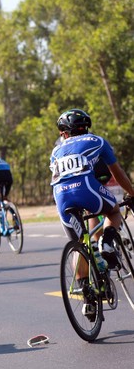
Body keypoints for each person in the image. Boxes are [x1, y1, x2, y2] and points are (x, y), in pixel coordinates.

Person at [50, 109, 134, 317]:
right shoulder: (97, 140)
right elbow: (117, 173)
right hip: (87, 186)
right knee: (113, 211)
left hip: (61, 196)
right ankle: (107, 242)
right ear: (85, 126)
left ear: (64, 133)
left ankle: (88, 299)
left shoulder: (56, 150)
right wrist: (132, 193)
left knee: (78, 246)